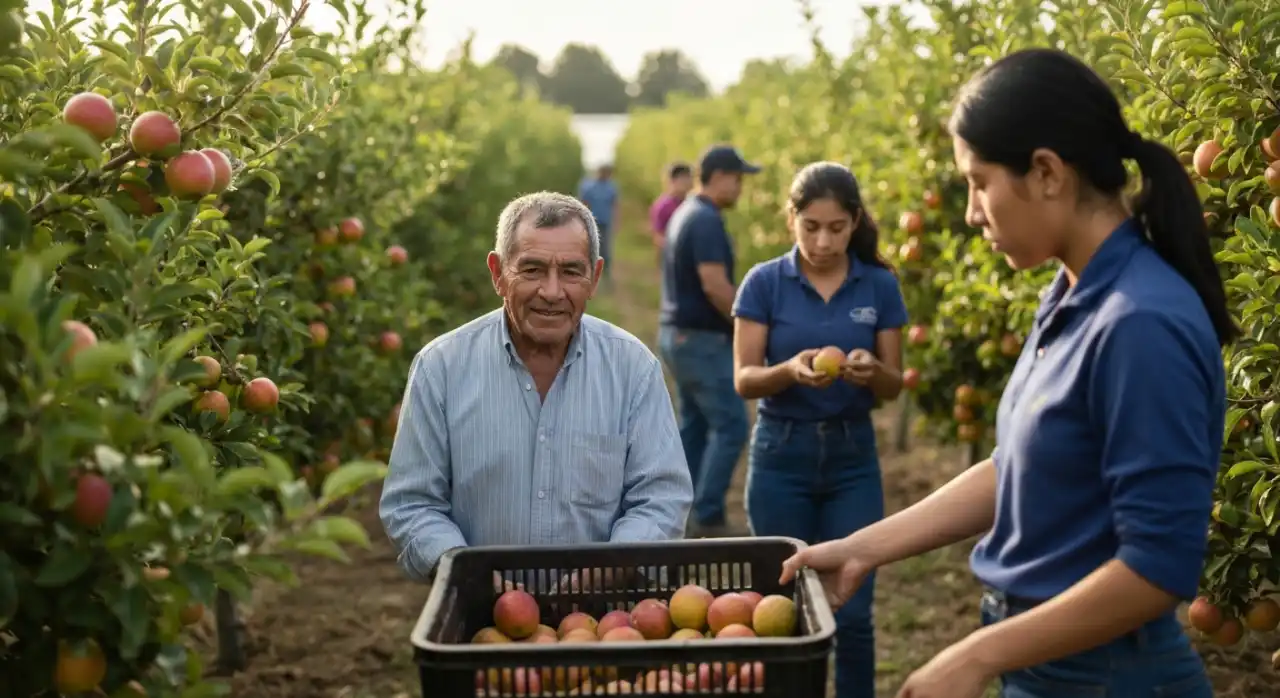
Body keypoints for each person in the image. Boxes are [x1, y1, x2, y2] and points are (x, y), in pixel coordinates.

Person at [780, 48, 1234, 698]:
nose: (969, 211)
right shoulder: (1073, 293)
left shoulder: (1141, 322)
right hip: (1051, 668)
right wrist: (863, 548)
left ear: (1047, 172)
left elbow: (1157, 568)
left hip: (1111, 678)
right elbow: (1019, 464)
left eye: (979, 181)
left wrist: (975, 656)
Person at [380, 191, 694, 588]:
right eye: (531, 269)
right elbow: (412, 504)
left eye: (570, 272)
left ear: (595, 278)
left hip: (602, 621)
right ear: (497, 273)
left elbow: (661, 498)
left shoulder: (633, 369)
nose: (551, 291)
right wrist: (469, 572)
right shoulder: (440, 368)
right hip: (478, 618)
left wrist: (608, 571)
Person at [732, 161, 906, 698]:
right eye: (810, 226)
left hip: (853, 458)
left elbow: (894, 384)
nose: (823, 240)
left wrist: (873, 372)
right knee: (781, 608)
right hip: (783, 455)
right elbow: (745, 379)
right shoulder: (764, 283)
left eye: (835, 227)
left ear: (854, 222)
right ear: (792, 219)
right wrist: (789, 371)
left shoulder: (878, 285)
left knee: (852, 611)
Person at [657, 144, 760, 538]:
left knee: (696, 425)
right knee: (732, 425)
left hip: (678, 335)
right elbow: (716, 286)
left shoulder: (686, 212)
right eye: (738, 179)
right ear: (719, 177)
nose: (740, 188)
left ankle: (677, 511)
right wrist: (748, 324)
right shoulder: (706, 220)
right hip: (699, 340)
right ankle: (708, 515)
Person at [577, 163, 619, 284]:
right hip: (591, 223)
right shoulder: (588, 186)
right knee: (591, 247)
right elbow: (583, 204)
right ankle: (589, 273)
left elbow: (615, 205)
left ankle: (605, 275)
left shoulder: (611, 187)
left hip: (605, 222)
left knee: (606, 249)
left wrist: (616, 221)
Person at [648, 161, 693, 262]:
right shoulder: (663, 206)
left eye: (688, 178)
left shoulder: (692, 204)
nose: (686, 182)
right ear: (672, 181)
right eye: (682, 178)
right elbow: (657, 235)